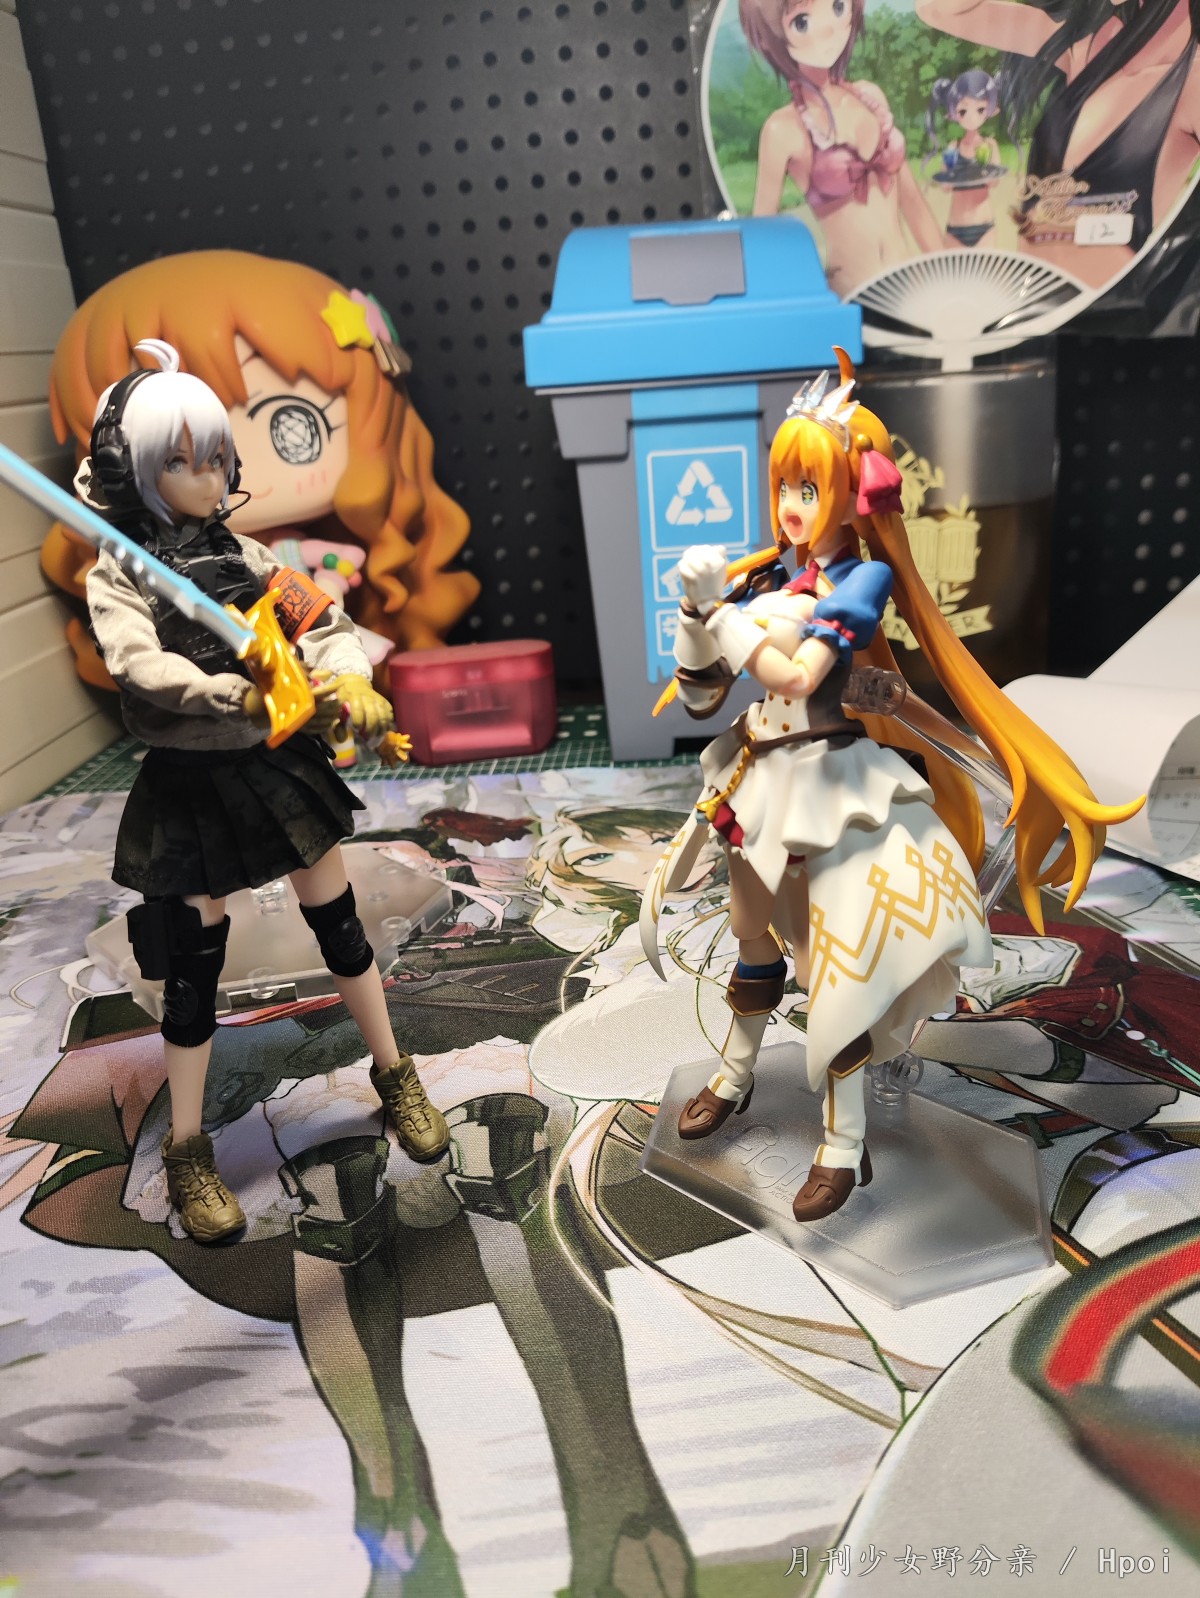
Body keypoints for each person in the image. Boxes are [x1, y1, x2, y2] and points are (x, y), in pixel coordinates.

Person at [656, 348, 1143, 1221]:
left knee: (837, 974)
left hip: (832, 790)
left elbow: (799, 676)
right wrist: (695, 615)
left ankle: (844, 1144)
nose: (792, 506)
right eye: (785, 486)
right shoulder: (766, 575)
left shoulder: (860, 579)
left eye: (810, 489)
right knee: (751, 940)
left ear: (852, 493)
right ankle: (734, 1072)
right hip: (757, 781)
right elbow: (700, 696)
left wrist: (720, 617)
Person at [81, 338, 449, 1243]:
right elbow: (139, 666)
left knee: (343, 929)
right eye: (181, 461)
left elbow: (321, 620)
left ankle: (393, 1072)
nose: (207, 478)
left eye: (216, 458)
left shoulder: (244, 557)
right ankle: (189, 1147)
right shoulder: (119, 572)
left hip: (273, 768)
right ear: (133, 472)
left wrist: (349, 674)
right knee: (191, 974)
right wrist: (235, 694)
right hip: (189, 784)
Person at [43, 250, 478, 689]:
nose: (216, 473)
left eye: (293, 425)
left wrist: (332, 579)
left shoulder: (264, 554)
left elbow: (324, 581)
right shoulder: (141, 568)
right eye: (173, 456)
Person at [916, 0, 1200, 283]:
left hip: (1112, 305)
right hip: (1028, 298)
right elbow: (936, 9)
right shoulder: (1087, 44)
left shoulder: (1192, 82)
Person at [739, 0, 946, 293]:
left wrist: (948, 279)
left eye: (837, 7)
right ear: (772, 36)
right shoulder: (781, 129)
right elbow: (762, 238)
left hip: (906, 285)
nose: (827, 29)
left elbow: (913, 203)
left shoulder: (870, 97)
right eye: (801, 22)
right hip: (847, 296)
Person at [923, 68, 1005, 248]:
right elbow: (945, 186)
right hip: (956, 228)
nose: (971, 117)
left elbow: (994, 182)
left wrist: (982, 170)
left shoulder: (990, 145)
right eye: (962, 111)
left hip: (984, 226)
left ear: (991, 110)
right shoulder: (953, 147)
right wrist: (951, 172)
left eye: (980, 109)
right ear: (953, 113)